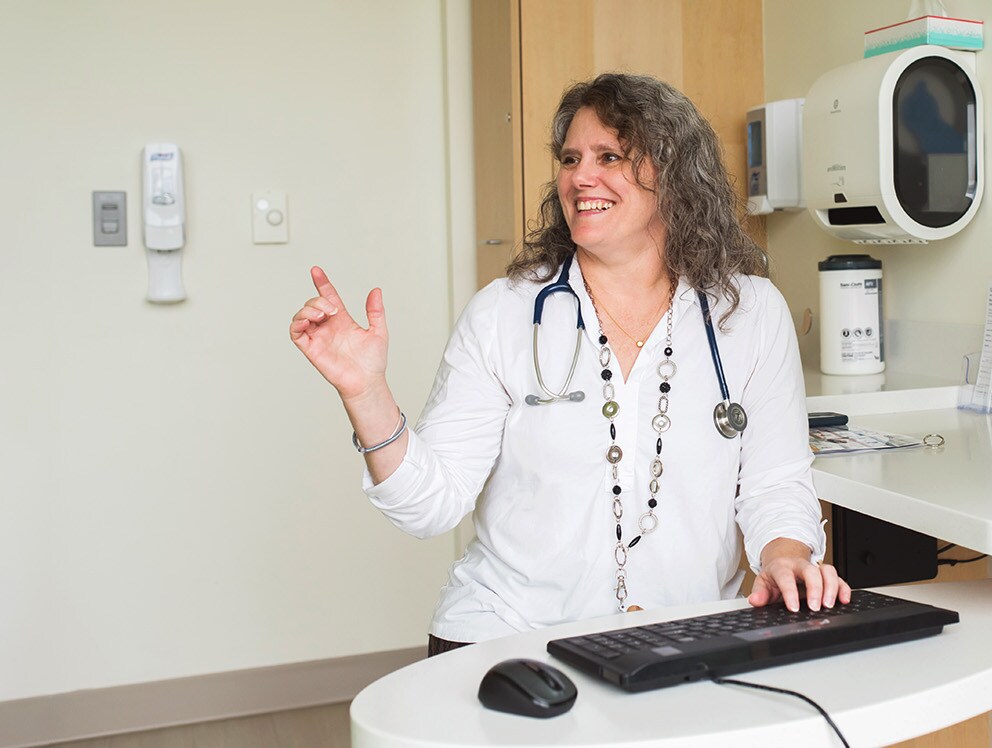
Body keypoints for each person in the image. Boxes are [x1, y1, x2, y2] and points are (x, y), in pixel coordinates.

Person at [289, 73, 851, 657]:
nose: (580, 177)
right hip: (510, 639)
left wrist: (785, 554)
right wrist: (366, 393)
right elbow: (431, 505)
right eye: (570, 158)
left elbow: (775, 483)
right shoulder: (505, 314)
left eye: (609, 156)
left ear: (677, 176)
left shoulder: (750, 313)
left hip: (683, 636)